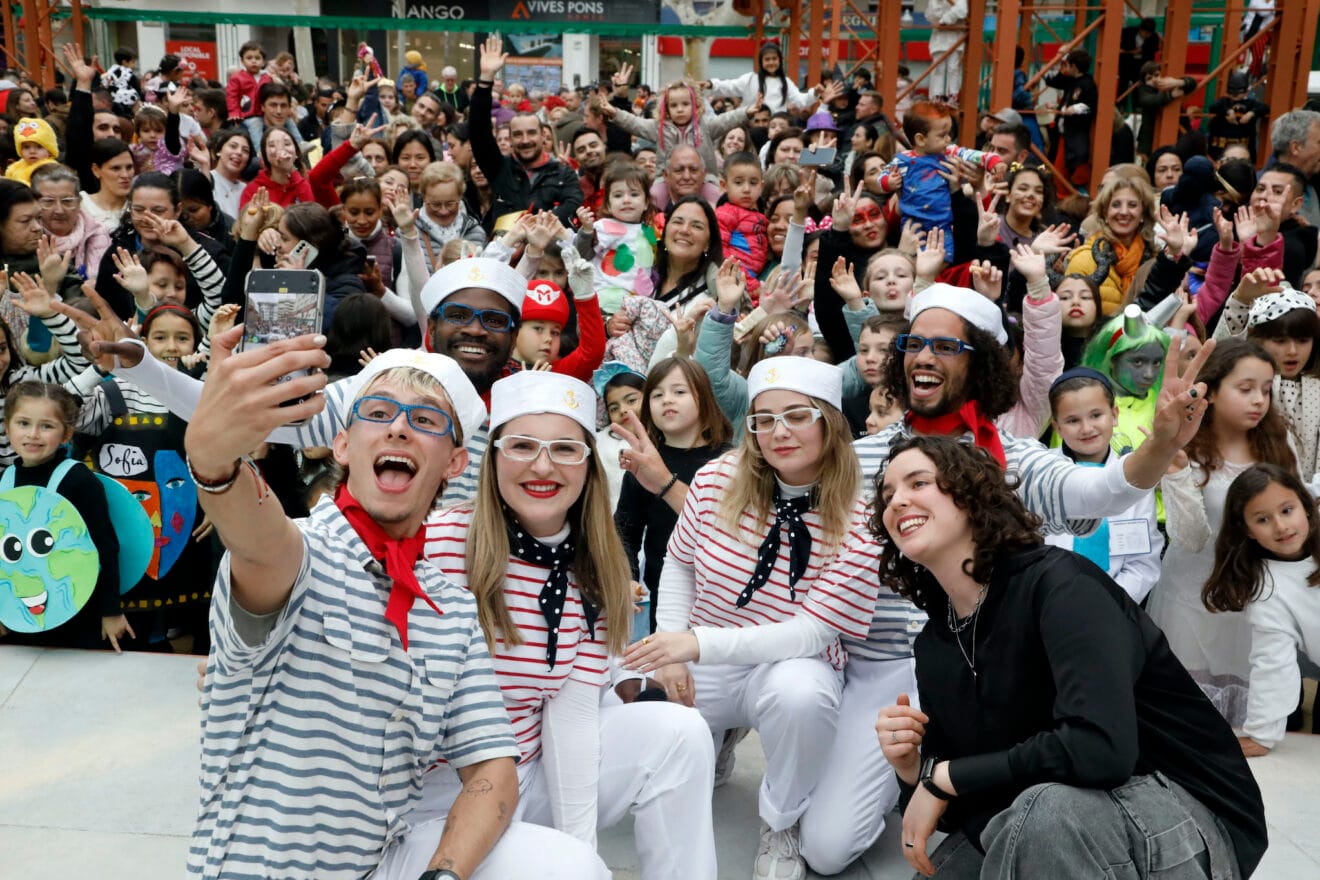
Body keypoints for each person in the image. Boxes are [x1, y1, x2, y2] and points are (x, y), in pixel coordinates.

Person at [183, 339, 609, 879]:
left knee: (570, 866)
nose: (399, 428)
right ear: (342, 444)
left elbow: (493, 767)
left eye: (426, 419)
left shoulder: (450, 608)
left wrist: (446, 872)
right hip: (260, 870)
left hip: (382, 862)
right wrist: (213, 460)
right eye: (379, 413)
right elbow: (256, 538)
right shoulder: (301, 552)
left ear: (454, 462)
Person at [873, 434, 1267, 879]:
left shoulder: (1062, 587)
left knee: (1048, 815)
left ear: (970, 493)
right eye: (887, 496)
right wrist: (913, 769)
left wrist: (942, 776)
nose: (897, 502)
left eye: (917, 483)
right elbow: (957, 801)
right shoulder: (936, 641)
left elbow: (1102, 750)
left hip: (1188, 815)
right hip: (1053, 819)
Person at [417, 369, 717, 879]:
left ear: (588, 467)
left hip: (532, 771)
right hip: (435, 797)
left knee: (680, 731)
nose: (542, 465)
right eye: (522, 446)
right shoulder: (439, 543)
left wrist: (579, 851)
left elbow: (571, 711)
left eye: (564, 449)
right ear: (492, 461)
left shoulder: (595, 563)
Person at [633, 355, 884, 880]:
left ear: (829, 423)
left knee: (801, 696)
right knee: (633, 710)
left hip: (792, 662)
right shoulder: (719, 477)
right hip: (705, 651)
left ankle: (781, 819)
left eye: (796, 416)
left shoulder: (864, 511)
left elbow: (812, 631)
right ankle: (717, 738)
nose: (778, 432)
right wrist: (671, 647)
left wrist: (693, 645)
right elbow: (678, 564)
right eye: (764, 419)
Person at [1151, 338, 1299, 727]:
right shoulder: (1187, 448)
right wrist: (1178, 474)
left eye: (1266, 390)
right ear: (1211, 391)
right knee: (1189, 723)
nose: (1259, 401)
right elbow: (1190, 538)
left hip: (1254, 605)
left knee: (1249, 725)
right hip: (1191, 603)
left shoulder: (1279, 446)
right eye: (1245, 388)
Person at [1205, 463, 1320, 756]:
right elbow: (1273, 662)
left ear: (1305, 506)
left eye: (1286, 510)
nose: (1281, 527)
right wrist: (1262, 734)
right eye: (1262, 519)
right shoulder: (1267, 588)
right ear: (1247, 530)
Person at [0, 381, 123, 651]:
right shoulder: (3, 483)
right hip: (22, 615)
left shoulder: (79, 481)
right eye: (23, 423)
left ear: (66, 434)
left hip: (79, 615)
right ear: (7, 428)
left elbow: (106, 547)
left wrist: (111, 611)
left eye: (46, 426)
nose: (33, 434)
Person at [613, 357, 732, 633]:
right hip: (664, 596)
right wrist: (627, 577)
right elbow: (624, 529)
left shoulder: (730, 459)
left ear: (704, 399)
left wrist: (665, 482)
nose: (667, 400)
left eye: (679, 392)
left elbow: (730, 527)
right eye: (657, 394)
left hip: (722, 595)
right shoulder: (642, 463)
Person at [1044, 368, 1162, 602]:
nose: (1086, 428)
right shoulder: (1041, 473)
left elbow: (1143, 563)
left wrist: (1108, 601)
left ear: (1114, 415)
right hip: (1047, 599)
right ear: (1057, 427)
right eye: (1073, 420)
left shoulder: (1134, 478)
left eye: (1096, 415)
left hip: (1115, 602)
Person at [471, 36, 582, 227]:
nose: (525, 140)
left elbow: (572, 206)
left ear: (543, 135)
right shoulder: (499, 168)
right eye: (517, 134)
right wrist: (485, 80)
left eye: (531, 133)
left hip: (547, 253)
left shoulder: (564, 174)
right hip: (503, 254)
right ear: (511, 140)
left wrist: (533, 225)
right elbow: (478, 132)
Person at [879, 102, 1003, 265]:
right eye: (942, 135)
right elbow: (883, 176)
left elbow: (972, 155)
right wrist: (889, 182)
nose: (948, 139)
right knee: (911, 264)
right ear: (921, 139)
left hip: (943, 224)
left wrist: (993, 161)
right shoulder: (903, 160)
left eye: (948, 133)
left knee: (943, 260)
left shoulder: (949, 152)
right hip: (913, 225)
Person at [576, 161, 659, 314]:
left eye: (634, 194)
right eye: (618, 195)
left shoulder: (648, 230)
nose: (626, 200)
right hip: (606, 301)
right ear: (608, 204)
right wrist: (586, 231)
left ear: (646, 202)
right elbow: (581, 254)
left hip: (639, 303)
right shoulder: (604, 227)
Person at [1065, 175, 1156, 315]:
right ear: (1104, 214)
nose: (1124, 212)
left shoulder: (1155, 261)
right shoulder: (1083, 260)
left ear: (1143, 214)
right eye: (1115, 205)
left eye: (1132, 205)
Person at [30, 163, 110, 281]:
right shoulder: (29, 237)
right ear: (34, 203)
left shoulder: (97, 233)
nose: (59, 210)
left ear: (79, 202)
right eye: (48, 201)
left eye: (67, 201)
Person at [1045, 49, 1098, 187]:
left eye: (1067, 64)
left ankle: (1066, 196)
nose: (1065, 68)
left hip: (1074, 134)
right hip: (1063, 133)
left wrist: (1075, 108)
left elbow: (1091, 106)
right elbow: (1051, 80)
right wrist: (1059, 58)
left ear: (1073, 66)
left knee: (1065, 171)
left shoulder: (1088, 84)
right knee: (1057, 169)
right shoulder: (1069, 80)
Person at [4, 117, 59, 184]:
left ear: (49, 150)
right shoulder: (16, 166)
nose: (32, 151)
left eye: (39, 147)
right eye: (26, 147)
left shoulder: (50, 168)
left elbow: (41, 188)